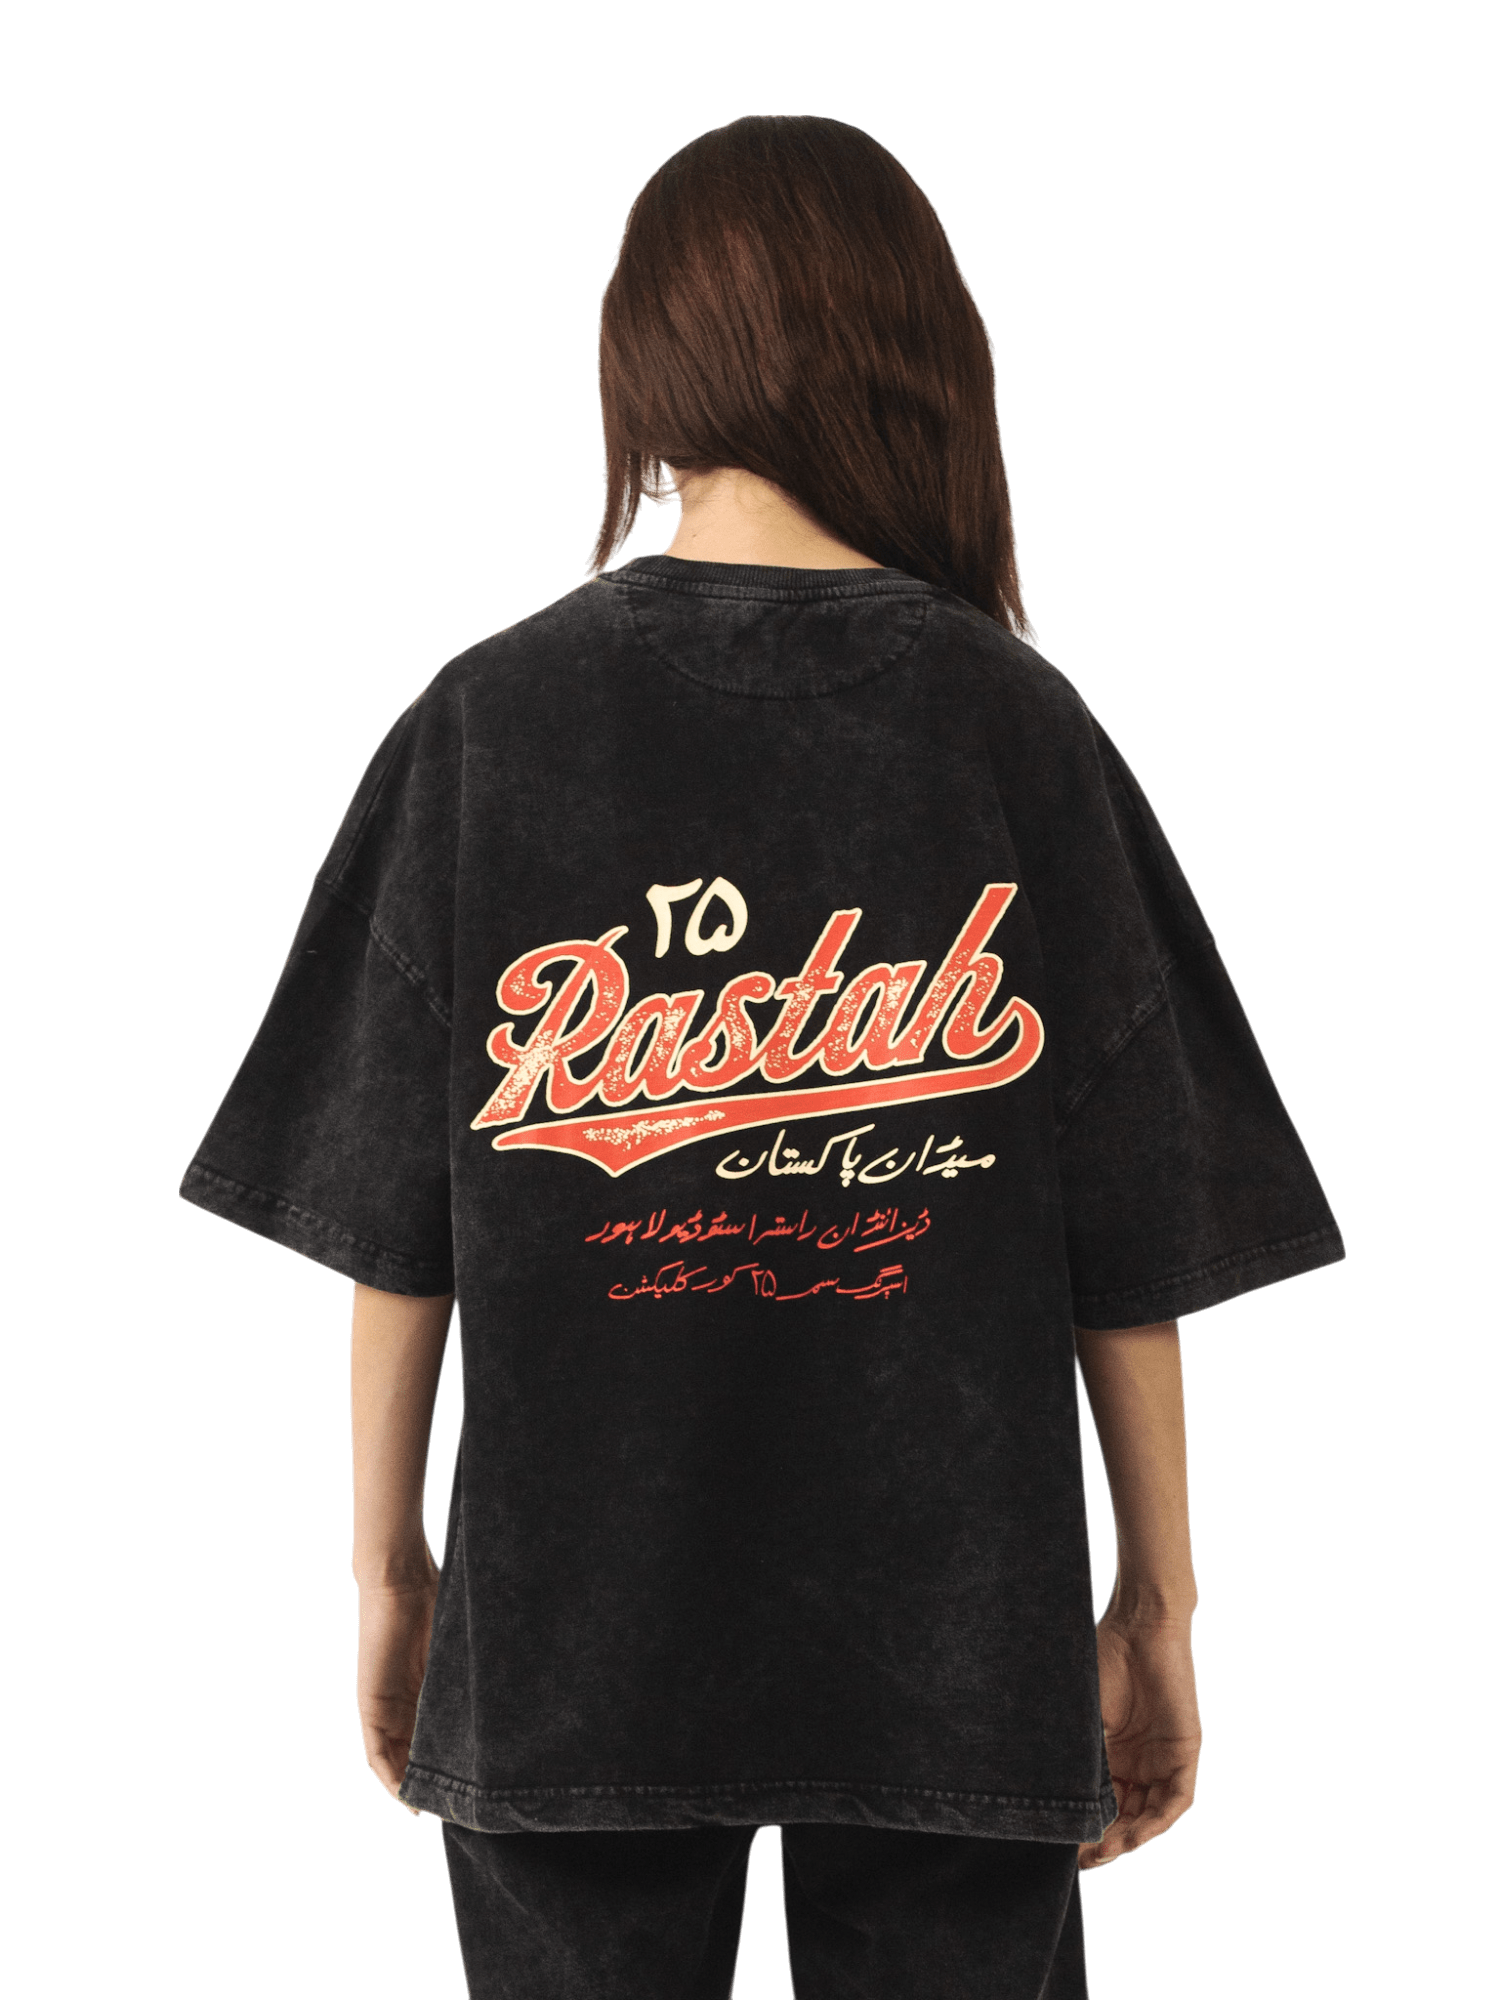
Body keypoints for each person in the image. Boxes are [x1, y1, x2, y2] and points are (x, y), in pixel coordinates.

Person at [179, 115, 1344, 1998]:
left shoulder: (487, 722)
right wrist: (1160, 1600)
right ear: (920, 358)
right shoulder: (1020, 728)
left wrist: (392, 1572)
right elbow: (1131, 1249)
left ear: (647, 376)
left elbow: (398, 1234)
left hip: (572, 1639)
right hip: (958, 1646)